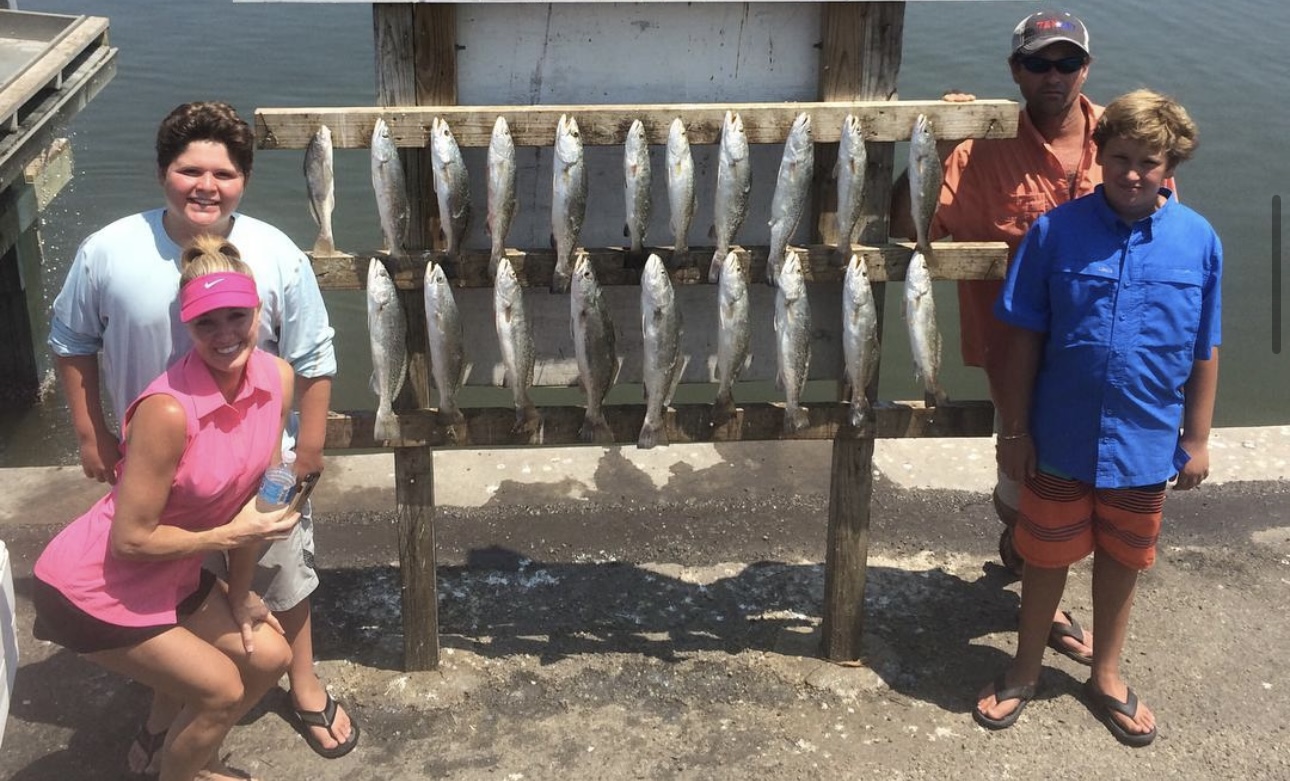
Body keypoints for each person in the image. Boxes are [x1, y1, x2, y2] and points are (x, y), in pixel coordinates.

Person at [47, 101, 357, 772]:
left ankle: (302, 685)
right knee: (167, 596)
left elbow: (314, 356)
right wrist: (90, 429)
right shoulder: (108, 249)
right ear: (163, 172)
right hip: (156, 465)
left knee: (283, 579)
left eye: (223, 171)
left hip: (252, 462)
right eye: (190, 169)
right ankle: (174, 708)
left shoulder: (275, 251)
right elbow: (72, 343)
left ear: (244, 177)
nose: (206, 185)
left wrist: (306, 453)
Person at [975, 89, 1218, 746]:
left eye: (1149, 161)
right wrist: (1016, 431)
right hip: (1059, 435)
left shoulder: (1199, 241)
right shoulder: (1055, 232)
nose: (1133, 173)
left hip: (1144, 442)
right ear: (1099, 156)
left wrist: (1195, 437)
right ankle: (1024, 666)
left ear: (1173, 164)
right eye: (1119, 157)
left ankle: (1104, 672)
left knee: (1123, 558)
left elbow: (1205, 345)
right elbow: (1022, 337)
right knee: (1043, 553)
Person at [891, 10, 1116, 665]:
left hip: (1100, 352)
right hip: (1011, 352)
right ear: (1016, 70)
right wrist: (934, 139)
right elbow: (907, 226)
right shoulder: (978, 145)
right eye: (1040, 62)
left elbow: (1165, 230)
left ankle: (1031, 559)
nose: (1055, 75)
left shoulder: (1124, 141)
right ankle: (1031, 562)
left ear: (1087, 68)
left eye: (1067, 62)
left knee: (1090, 482)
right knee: (1025, 469)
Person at [33, 236, 300, 780]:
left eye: (237, 316)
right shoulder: (167, 410)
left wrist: (243, 593)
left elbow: (262, 497)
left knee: (271, 657)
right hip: (93, 589)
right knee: (221, 689)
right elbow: (129, 539)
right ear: (187, 325)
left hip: (172, 574)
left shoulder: (277, 378)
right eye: (207, 324)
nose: (226, 335)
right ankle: (184, 770)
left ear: (259, 312)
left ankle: (183, 747)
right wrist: (225, 539)